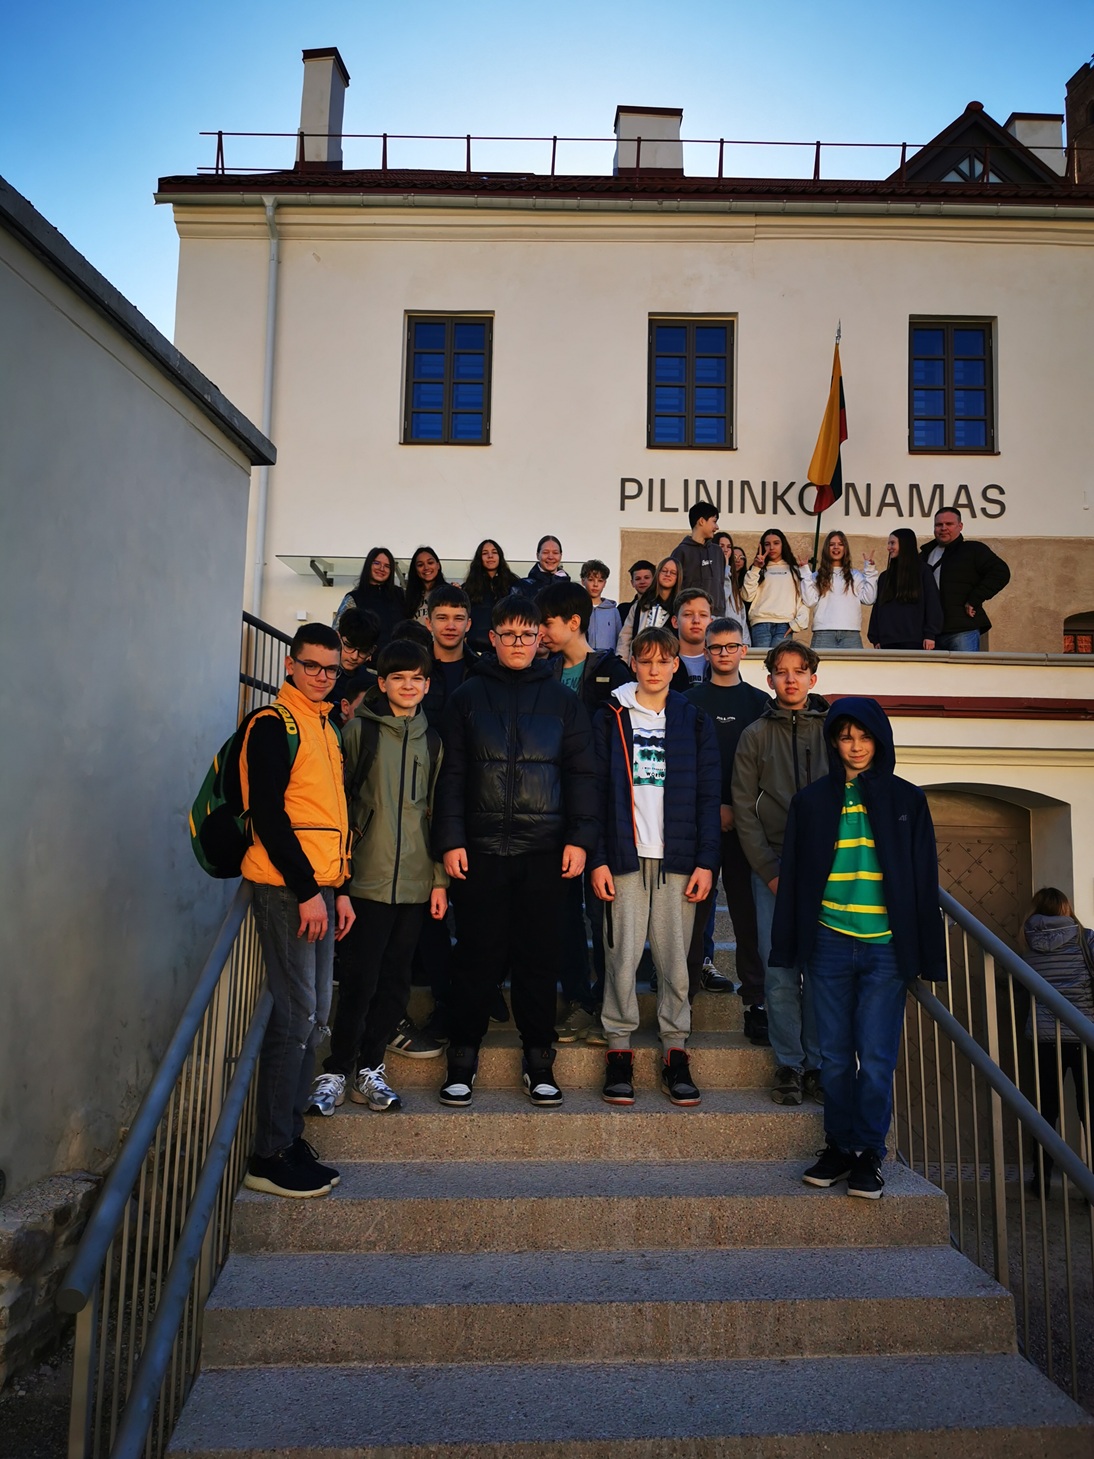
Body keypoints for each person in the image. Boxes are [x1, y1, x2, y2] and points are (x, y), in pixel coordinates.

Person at [771, 698, 946, 1198]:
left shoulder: (908, 800)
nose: (856, 746)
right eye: (846, 737)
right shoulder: (811, 802)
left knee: (874, 1056)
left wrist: (926, 952)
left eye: (865, 736)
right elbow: (796, 877)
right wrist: (789, 945)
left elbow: (923, 878)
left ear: (879, 740)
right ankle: (839, 1147)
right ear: (833, 742)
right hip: (829, 940)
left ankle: (869, 1152)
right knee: (832, 1056)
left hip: (885, 947)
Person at [433, 597, 597, 1107]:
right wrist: (450, 840)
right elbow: (450, 775)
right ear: (493, 638)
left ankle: (539, 1062)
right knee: (475, 958)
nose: (519, 643)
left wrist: (580, 839)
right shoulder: (466, 697)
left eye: (527, 634)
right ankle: (462, 1060)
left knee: (538, 961)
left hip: (545, 854)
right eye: (509, 635)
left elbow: (582, 775)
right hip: (479, 852)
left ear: (539, 639)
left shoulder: (564, 701)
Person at [305, 640, 448, 1117]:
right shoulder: (357, 732)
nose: (408, 686)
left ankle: (370, 1068)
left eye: (417, 678)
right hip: (364, 879)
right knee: (359, 978)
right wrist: (341, 886)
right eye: (398, 678)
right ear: (382, 683)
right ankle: (336, 1069)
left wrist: (439, 881)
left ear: (427, 685)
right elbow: (338, 808)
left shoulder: (433, 741)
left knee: (395, 981)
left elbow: (436, 813)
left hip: (414, 884)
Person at [239, 624, 354, 1199]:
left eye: (332, 668)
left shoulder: (325, 725)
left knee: (317, 1013)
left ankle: (289, 1136)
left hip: (321, 888)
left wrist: (340, 888)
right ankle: (268, 1154)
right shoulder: (271, 723)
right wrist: (310, 890)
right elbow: (268, 814)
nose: (322, 676)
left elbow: (330, 815)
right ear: (290, 665)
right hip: (288, 889)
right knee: (295, 1014)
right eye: (312, 666)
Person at [591, 626, 721, 1106]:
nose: (653, 669)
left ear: (675, 665)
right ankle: (619, 1046)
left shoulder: (693, 718)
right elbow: (593, 793)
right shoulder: (610, 716)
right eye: (644, 660)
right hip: (624, 856)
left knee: (674, 959)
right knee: (621, 955)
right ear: (633, 664)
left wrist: (706, 862)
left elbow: (709, 796)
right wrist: (597, 858)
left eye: (662, 661)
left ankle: (674, 1047)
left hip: (678, 858)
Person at [732, 638, 828, 1105]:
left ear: (813, 677)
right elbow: (744, 809)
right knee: (780, 968)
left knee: (821, 969)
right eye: (782, 672)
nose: (791, 679)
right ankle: (789, 1062)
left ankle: (819, 1065)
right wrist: (768, 869)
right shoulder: (754, 735)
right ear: (769, 680)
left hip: (827, 869)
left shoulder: (833, 731)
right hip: (772, 866)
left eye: (799, 671)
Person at [538, 579, 633, 1041]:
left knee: (602, 913)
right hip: (551, 809)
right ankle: (578, 999)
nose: (539, 632)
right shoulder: (544, 673)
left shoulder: (614, 672)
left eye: (546, 623)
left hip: (601, 811)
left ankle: (608, 1003)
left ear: (574, 622)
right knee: (562, 915)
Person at [685, 618, 772, 1035]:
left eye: (731, 646)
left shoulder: (760, 703)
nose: (723, 653)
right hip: (697, 826)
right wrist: (712, 808)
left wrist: (739, 809)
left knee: (748, 918)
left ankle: (756, 1002)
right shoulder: (687, 701)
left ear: (743, 650)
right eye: (716, 647)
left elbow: (767, 768)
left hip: (746, 827)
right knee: (690, 918)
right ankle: (680, 1001)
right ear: (706, 651)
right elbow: (682, 765)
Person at [1021, 887, 1094, 1195]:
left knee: (1045, 1110)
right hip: (1084, 1034)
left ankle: (1041, 1181)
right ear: (1066, 908)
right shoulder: (1085, 939)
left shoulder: (1028, 941)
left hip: (1044, 1037)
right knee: (1089, 1110)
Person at [920, 507, 1011, 652]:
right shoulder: (925, 555)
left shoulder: (973, 550)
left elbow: (1000, 572)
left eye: (949, 524)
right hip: (930, 633)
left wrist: (975, 598)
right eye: (939, 524)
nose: (943, 528)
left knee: (964, 667)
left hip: (962, 630)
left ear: (960, 526)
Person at [800, 531, 877, 650]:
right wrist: (805, 572)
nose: (836, 547)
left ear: (845, 548)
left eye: (840, 544)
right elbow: (809, 601)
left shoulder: (855, 575)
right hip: (823, 633)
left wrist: (870, 570)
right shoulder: (817, 576)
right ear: (826, 549)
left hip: (851, 634)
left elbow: (869, 599)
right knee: (821, 663)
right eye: (832, 544)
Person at [868, 529, 943, 651]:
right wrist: (875, 637)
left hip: (916, 641)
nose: (888, 547)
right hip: (887, 642)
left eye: (892, 543)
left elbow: (932, 603)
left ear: (904, 544)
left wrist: (930, 634)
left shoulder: (923, 572)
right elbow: (878, 608)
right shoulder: (884, 577)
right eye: (888, 543)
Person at [741, 528, 810, 648]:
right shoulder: (757, 569)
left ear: (783, 545)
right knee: (761, 660)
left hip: (785, 624)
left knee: (779, 659)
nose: (771, 547)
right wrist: (756, 568)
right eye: (767, 544)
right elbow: (747, 596)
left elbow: (803, 600)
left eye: (776, 543)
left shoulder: (794, 570)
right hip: (760, 623)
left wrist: (798, 624)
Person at [335, 547, 407, 648]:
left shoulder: (401, 595)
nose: (381, 569)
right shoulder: (354, 597)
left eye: (387, 566)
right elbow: (337, 632)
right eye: (377, 563)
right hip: (366, 657)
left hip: (398, 655)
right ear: (368, 565)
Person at [463, 538, 521, 654]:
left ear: (500, 556)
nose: (490, 556)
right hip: (474, 648)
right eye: (485, 553)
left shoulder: (514, 584)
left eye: (494, 552)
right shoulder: (469, 587)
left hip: (505, 647)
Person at [616, 556, 679, 662]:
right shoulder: (639, 606)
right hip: (638, 664)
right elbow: (625, 638)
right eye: (664, 571)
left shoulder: (680, 608)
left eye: (673, 572)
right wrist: (621, 665)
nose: (668, 574)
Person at [327, 608, 381, 726]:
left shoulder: (372, 684)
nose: (354, 656)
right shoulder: (320, 676)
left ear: (372, 650)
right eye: (349, 646)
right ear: (338, 638)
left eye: (363, 651)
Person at [671, 502, 725, 615]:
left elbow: (721, 584)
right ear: (701, 521)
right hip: (692, 614)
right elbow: (675, 587)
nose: (717, 527)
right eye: (714, 521)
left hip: (716, 615)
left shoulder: (718, 552)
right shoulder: (680, 552)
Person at [670, 588, 713, 689]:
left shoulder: (720, 660)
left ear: (711, 622)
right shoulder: (663, 662)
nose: (696, 620)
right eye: (688, 614)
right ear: (675, 622)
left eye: (703, 615)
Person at [714, 531, 751, 645]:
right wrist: (725, 569)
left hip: (736, 642)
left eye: (729, 547)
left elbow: (741, 615)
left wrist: (746, 642)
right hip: (718, 639)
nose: (725, 550)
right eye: (721, 546)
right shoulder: (711, 575)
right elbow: (721, 598)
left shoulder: (732, 580)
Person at [581, 559, 622, 652]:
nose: (595, 584)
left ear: (604, 583)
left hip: (607, 658)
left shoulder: (613, 611)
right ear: (583, 581)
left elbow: (620, 639)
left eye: (600, 581)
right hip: (583, 657)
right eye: (591, 580)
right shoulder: (578, 608)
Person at [404, 545, 449, 622]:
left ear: (438, 565)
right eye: (420, 565)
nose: (426, 567)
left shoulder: (450, 592)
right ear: (415, 569)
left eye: (430, 563)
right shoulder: (408, 596)